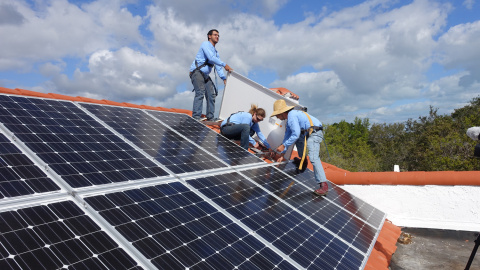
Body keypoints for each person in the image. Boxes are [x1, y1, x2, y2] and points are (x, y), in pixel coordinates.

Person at [270, 99, 328, 196]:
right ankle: (303, 161)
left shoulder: (292, 115)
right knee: (296, 139)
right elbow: (287, 137)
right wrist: (282, 153)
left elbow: (295, 134)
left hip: (315, 132)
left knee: (313, 158)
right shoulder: (288, 121)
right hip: (306, 132)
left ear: (282, 112)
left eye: (277, 114)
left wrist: (284, 146)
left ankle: (324, 185)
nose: (276, 116)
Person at [190, 29, 233, 121]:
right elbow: (211, 58)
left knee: (211, 94)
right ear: (209, 36)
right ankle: (196, 117)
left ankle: (210, 117)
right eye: (215, 35)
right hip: (197, 72)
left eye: (218, 35)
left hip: (205, 75)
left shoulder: (216, 52)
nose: (217, 37)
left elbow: (217, 66)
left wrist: (224, 78)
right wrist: (225, 64)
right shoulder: (205, 44)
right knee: (200, 92)